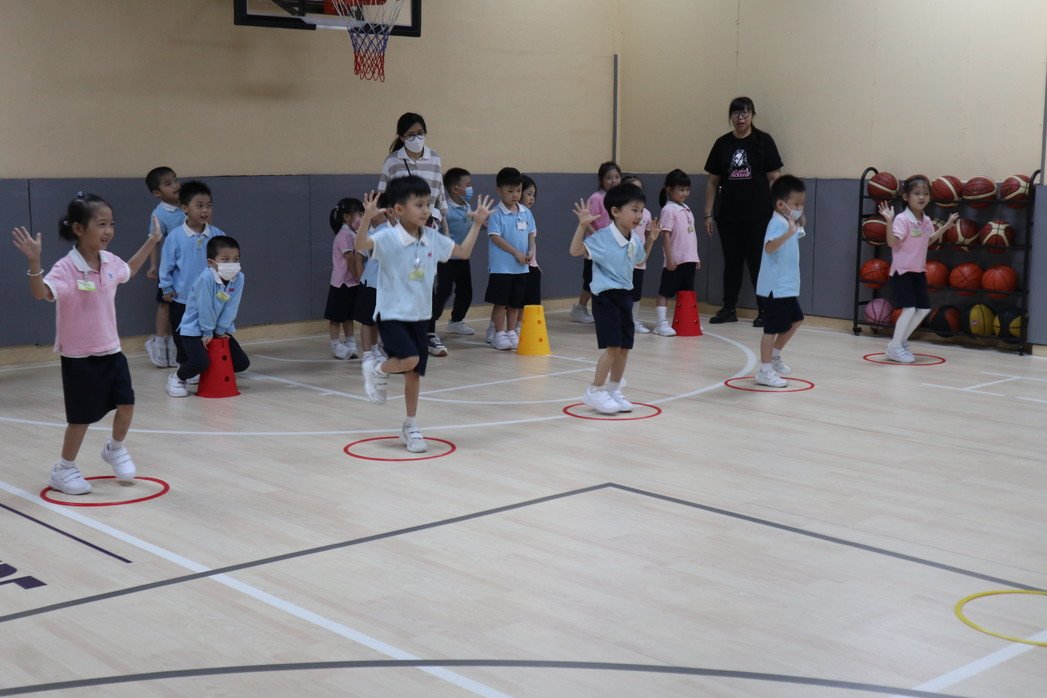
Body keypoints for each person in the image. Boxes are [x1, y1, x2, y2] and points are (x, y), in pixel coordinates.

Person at [11, 195, 163, 495]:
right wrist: (34, 261)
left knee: (127, 404)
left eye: (111, 224)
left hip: (111, 350)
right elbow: (41, 293)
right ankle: (63, 469)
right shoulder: (66, 268)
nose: (108, 231)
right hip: (79, 357)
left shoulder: (109, 261)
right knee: (80, 419)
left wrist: (152, 240)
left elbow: (130, 269)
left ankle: (115, 448)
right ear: (79, 229)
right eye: (101, 224)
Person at [355, 178, 494, 453]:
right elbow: (362, 243)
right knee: (410, 359)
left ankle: (410, 425)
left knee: (414, 374)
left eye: (427, 204)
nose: (425, 210)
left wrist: (477, 223)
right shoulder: (388, 237)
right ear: (398, 209)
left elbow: (463, 252)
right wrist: (367, 218)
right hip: (392, 313)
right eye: (418, 205)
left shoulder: (432, 237)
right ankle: (377, 368)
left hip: (421, 315)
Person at [569, 183, 659, 414]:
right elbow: (575, 251)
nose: (639, 216)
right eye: (634, 210)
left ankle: (613, 389)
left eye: (641, 210)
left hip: (625, 297)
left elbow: (640, 261)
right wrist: (582, 226)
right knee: (613, 347)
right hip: (606, 298)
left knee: (625, 348)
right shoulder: (603, 237)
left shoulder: (634, 239)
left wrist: (651, 239)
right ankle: (595, 390)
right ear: (616, 211)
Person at [376, 112, 451, 357]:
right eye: (410, 135)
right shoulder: (392, 162)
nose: (416, 139)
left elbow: (440, 195)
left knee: (427, 284)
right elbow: (382, 198)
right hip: (401, 232)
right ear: (401, 136)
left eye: (420, 134)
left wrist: (444, 228)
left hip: (428, 231)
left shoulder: (435, 158)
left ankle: (428, 334)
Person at [704, 96, 783, 327]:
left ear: (752, 115)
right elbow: (712, 182)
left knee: (759, 263)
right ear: (731, 116)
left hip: (759, 216)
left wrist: (779, 212)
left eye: (745, 112)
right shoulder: (722, 144)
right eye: (736, 113)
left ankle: (765, 310)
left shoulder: (764, 141)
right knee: (732, 263)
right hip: (728, 216)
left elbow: (774, 178)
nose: (741, 117)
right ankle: (729, 308)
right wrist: (708, 214)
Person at [879, 177, 958, 363]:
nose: (922, 197)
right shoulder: (902, 219)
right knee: (909, 309)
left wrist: (946, 227)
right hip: (902, 272)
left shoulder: (926, 220)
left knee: (923, 309)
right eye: (917, 193)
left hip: (918, 271)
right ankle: (895, 347)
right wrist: (889, 221)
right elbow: (892, 242)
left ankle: (899, 343)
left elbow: (927, 240)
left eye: (926, 194)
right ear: (906, 196)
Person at [167, 236, 250, 397]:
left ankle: (205, 373)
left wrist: (219, 331)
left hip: (217, 330)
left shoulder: (239, 278)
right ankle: (177, 377)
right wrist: (207, 332)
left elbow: (231, 307)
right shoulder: (206, 279)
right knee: (200, 362)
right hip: (194, 330)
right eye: (225, 259)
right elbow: (205, 308)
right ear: (211, 262)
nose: (231, 264)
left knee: (241, 363)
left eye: (235, 259)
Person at [158, 180, 225, 371]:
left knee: (208, 334)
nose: (205, 211)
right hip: (183, 299)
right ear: (185, 208)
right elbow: (166, 265)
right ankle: (185, 369)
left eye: (209, 206)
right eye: (199, 206)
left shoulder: (218, 235)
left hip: (209, 299)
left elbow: (226, 265)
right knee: (183, 337)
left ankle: (207, 368)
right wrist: (166, 287)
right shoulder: (175, 236)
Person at [753, 175, 807, 388]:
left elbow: (798, 231)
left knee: (796, 320)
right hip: (775, 287)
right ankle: (764, 371)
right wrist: (788, 233)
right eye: (796, 204)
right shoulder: (777, 222)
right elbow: (769, 247)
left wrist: (796, 225)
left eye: (802, 204)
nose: (799, 208)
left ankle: (774, 356)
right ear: (780, 204)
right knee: (770, 329)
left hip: (787, 287)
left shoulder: (788, 222)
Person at [485, 167, 536, 351]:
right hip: (502, 268)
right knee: (501, 303)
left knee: (515, 303)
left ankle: (511, 331)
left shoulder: (526, 212)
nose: (515, 195)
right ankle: (498, 333)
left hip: (521, 268)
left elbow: (531, 233)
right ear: (499, 190)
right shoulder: (496, 214)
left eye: (519, 190)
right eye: (510, 191)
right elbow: (495, 237)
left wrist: (530, 251)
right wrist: (516, 253)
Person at [570, 161, 622, 324]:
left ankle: (607, 311)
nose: (613, 181)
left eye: (617, 177)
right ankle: (580, 308)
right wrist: (599, 237)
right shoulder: (596, 198)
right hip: (595, 248)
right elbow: (587, 222)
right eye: (609, 178)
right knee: (591, 280)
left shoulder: (620, 199)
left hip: (612, 249)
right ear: (601, 180)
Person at [143, 166, 185, 369]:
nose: (175, 185)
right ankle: (159, 343)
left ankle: (178, 344)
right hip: (170, 269)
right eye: (168, 184)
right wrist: (153, 265)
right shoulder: (159, 213)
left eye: (176, 180)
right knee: (166, 304)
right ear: (157, 193)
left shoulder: (187, 204)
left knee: (183, 306)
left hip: (189, 268)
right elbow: (155, 241)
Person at [653, 169, 700, 337]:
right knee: (665, 291)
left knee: (687, 292)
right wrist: (670, 258)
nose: (685, 193)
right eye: (681, 189)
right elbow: (665, 235)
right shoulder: (668, 210)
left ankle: (687, 321)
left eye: (687, 189)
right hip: (676, 260)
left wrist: (695, 257)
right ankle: (661, 323)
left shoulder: (687, 208)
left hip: (689, 259)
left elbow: (691, 235)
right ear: (669, 189)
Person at [432, 167, 476, 338]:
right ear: (455, 189)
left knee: (466, 291)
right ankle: (429, 325)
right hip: (446, 258)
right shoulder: (445, 209)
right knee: (444, 291)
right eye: (467, 185)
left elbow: (468, 224)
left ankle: (456, 321)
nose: (470, 188)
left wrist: (480, 224)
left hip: (462, 257)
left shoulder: (467, 206)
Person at [353, 194, 393, 363]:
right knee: (368, 322)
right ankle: (368, 354)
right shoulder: (375, 233)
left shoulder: (388, 231)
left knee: (374, 321)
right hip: (371, 284)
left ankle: (375, 351)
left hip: (380, 286)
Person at [326, 197, 364, 360]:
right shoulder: (344, 235)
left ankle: (350, 342)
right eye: (358, 214)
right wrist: (359, 276)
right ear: (347, 217)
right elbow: (350, 259)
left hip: (351, 283)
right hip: (341, 283)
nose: (361, 217)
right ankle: (335, 344)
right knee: (336, 317)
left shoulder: (353, 233)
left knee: (348, 316)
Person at [621, 175, 656, 334]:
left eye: (639, 189)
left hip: (638, 260)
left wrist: (651, 238)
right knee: (622, 292)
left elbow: (648, 236)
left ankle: (633, 321)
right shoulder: (620, 212)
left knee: (635, 293)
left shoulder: (646, 214)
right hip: (622, 260)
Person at [518, 174, 542, 333]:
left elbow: (532, 241)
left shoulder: (528, 214)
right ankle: (516, 328)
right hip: (520, 266)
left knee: (530, 301)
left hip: (531, 265)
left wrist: (535, 263)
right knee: (518, 301)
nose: (532, 198)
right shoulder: (517, 214)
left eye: (534, 194)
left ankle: (525, 328)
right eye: (528, 194)